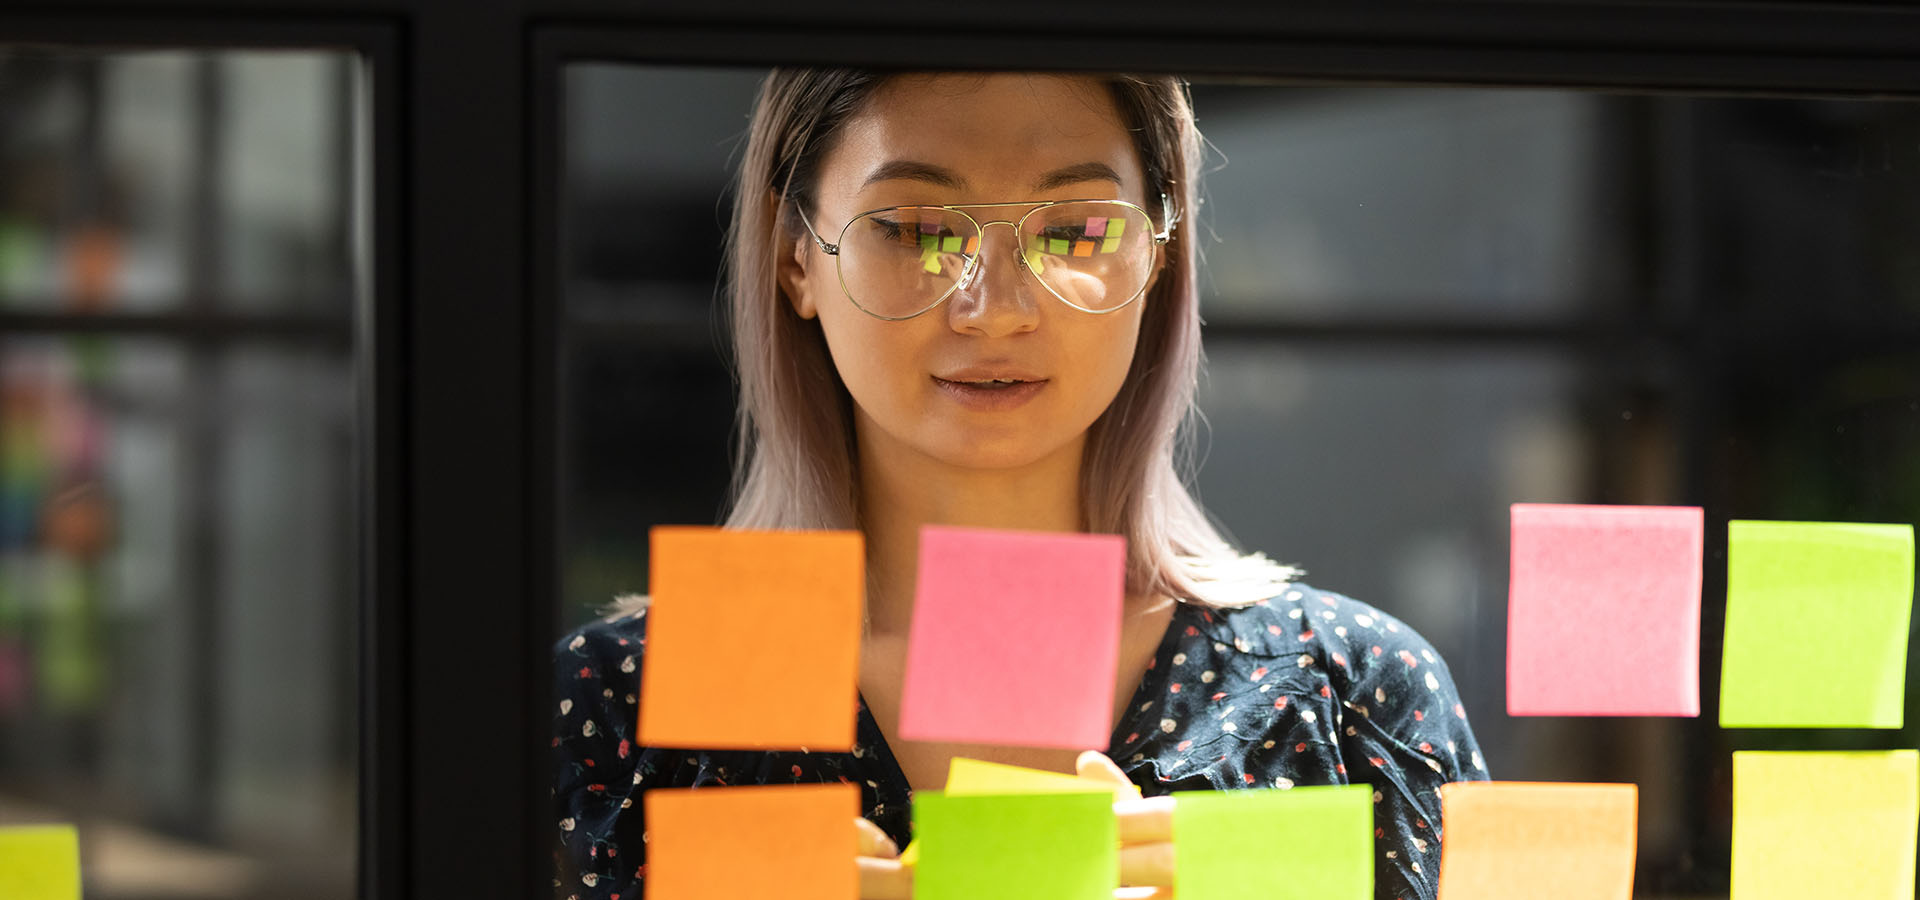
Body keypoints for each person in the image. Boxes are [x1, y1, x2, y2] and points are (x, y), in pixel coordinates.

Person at [552, 68, 1489, 900]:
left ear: (1158, 253)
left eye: (1075, 231)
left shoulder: (1348, 694)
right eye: (918, 228)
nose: (995, 307)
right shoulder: (614, 706)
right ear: (798, 255)